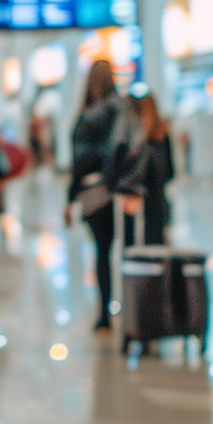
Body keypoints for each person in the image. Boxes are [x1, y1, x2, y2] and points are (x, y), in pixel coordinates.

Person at [65, 60, 145, 333]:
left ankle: (104, 314)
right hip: (122, 188)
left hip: (93, 190)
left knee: (101, 251)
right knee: (128, 250)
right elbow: (133, 146)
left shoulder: (86, 115)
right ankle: (132, 309)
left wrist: (71, 196)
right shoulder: (123, 109)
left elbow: (77, 161)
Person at [132, 92, 174, 245]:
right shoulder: (163, 133)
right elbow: (171, 171)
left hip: (140, 201)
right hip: (160, 199)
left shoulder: (136, 137)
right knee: (158, 242)